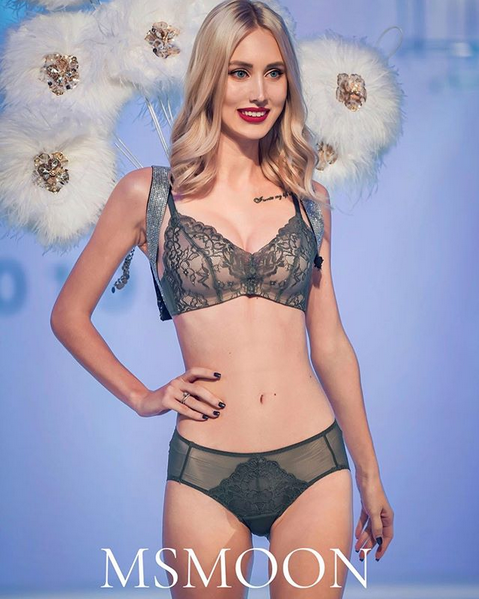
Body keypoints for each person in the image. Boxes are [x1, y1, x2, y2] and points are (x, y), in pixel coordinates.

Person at [50, 1, 394, 596]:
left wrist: (370, 474)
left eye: (274, 72)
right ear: (211, 76)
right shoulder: (148, 195)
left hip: (315, 463)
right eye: (240, 72)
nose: (259, 92)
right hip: (205, 470)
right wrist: (142, 397)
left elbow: (331, 344)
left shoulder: (309, 199)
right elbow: (68, 315)